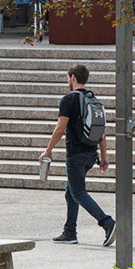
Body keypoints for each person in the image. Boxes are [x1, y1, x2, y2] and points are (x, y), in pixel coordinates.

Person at [38, 64, 116, 246]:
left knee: (78, 192)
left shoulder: (69, 100)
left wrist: (47, 150)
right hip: (90, 154)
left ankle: (107, 222)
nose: (68, 80)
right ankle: (69, 232)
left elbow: (60, 129)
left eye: (68, 77)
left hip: (75, 155)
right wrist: (104, 156)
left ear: (73, 77)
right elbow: (102, 131)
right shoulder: (94, 100)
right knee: (70, 191)